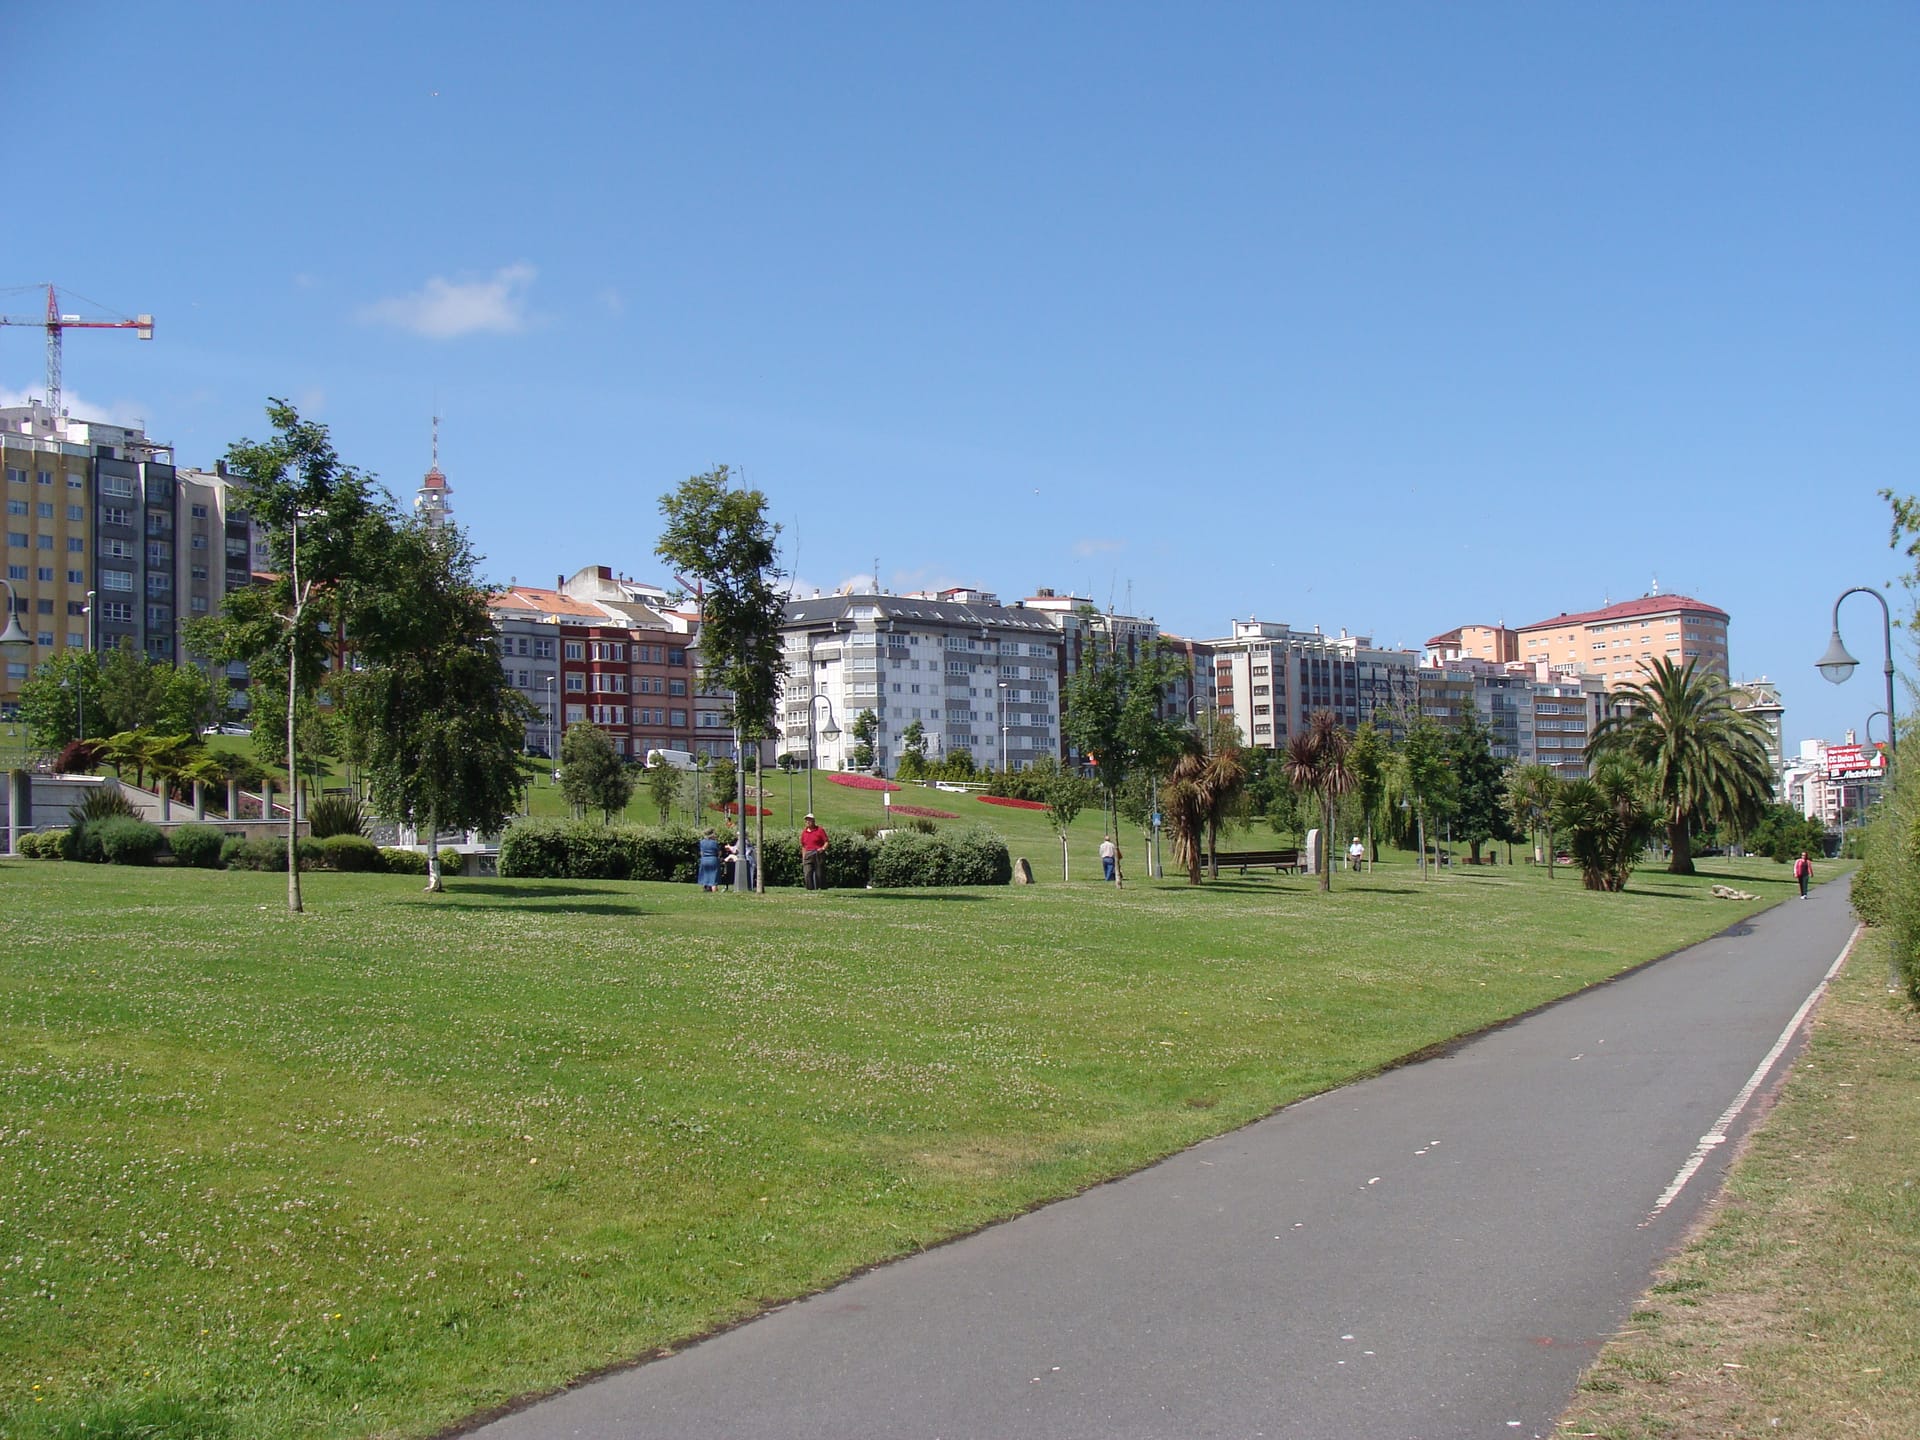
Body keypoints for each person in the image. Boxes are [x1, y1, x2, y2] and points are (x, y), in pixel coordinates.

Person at [800, 814, 830, 890]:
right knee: (807, 873)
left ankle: (821, 887)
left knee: (819, 873)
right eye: (806, 820)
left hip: (818, 853)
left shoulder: (820, 830)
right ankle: (810, 888)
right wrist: (803, 857)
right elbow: (803, 846)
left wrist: (823, 849)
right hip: (808, 853)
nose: (807, 822)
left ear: (813, 821)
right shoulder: (804, 832)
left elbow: (826, 842)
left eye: (809, 820)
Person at [696, 828, 723, 892]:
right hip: (713, 860)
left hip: (704, 860)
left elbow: (701, 853)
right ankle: (714, 891)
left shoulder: (702, 842)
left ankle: (705, 889)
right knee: (713, 879)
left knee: (705, 876)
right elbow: (719, 853)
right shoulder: (714, 843)